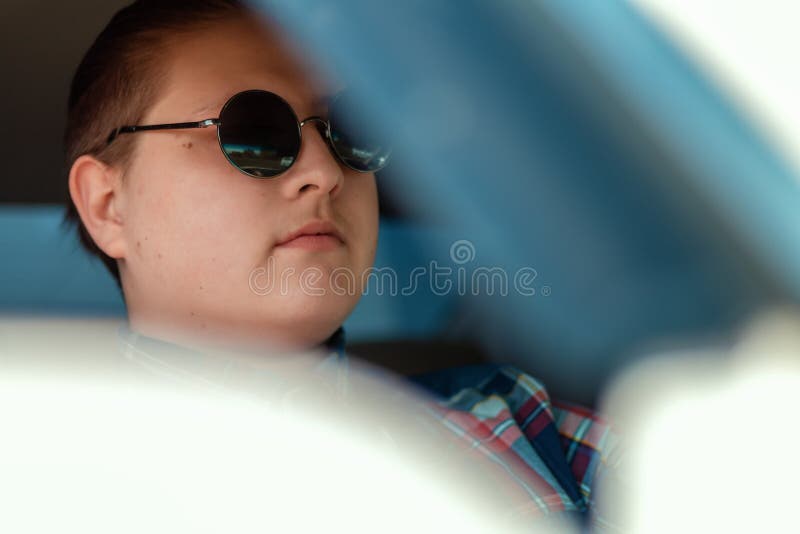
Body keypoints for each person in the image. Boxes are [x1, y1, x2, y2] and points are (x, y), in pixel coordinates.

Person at [65, 0, 621, 529]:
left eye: (351, 133)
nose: (324, 172)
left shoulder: (522, 422)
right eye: (254, 134)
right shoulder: (38, 471)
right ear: (108, 206)